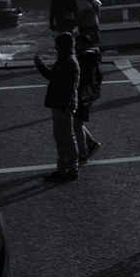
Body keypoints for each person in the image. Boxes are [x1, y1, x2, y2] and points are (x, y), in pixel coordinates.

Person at [33, 34, 80, 181]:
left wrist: (64, 109)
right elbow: (51, 76)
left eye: (57, 46)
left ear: (63, 46)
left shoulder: (70, 63)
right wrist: (40, 65)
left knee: (67, 137)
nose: (55, 48)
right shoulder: (64, 60)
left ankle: (72, 169)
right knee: (61, 138)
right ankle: (63, 167)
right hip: (59, 105)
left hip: (62, 106)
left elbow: (70, 89)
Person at [73, 38, 103, 167]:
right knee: (76, 122)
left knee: (76, 124)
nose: (75, 46)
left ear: (85, 44)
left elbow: (84, 77)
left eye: (78, 43)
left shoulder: (85, 59)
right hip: (89, 93)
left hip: (83, 94)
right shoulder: (91, 57)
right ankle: (90, 144)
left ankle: (83, 154)